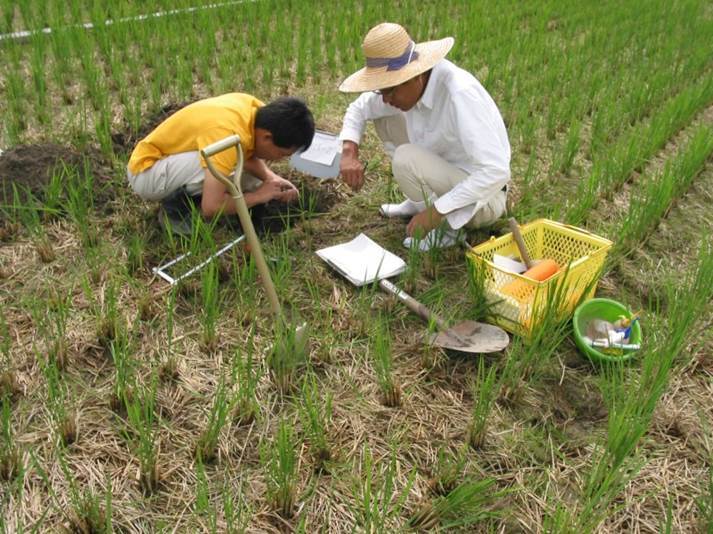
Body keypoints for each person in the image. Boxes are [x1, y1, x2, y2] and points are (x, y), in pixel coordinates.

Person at [338, 23, 511, 251]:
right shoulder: (405, 89)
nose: (386, 98)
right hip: (447, 174)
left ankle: (449, 230)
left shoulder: (459, 94)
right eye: (382, 90)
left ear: (416, 75)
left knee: (405, 157)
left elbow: (496, 172)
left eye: (391, 90)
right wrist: (349, 153)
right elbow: (359, 109)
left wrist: (437, 211)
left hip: (483, 201)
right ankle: (420, 201)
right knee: (385, 117)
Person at [127, 94, 315, 234]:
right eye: (281, 154)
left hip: (174, 160)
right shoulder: (225, 136)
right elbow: (212, 208)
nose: (279, 160)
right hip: (147, 173)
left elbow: (247, 152)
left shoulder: (255, 111)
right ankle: (178, 208)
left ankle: (198, 194)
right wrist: (259, 196)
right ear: (267, 137)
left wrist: (271, 179)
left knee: (240, 171)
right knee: (222, 167)